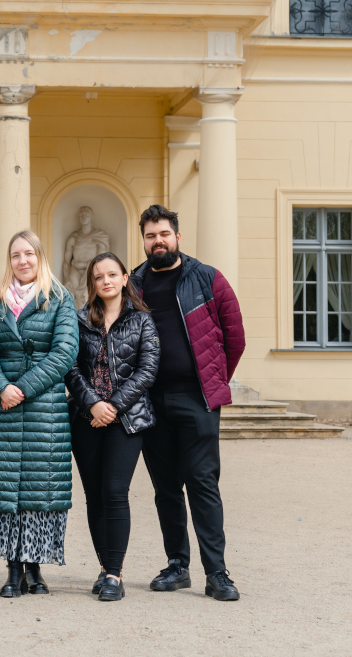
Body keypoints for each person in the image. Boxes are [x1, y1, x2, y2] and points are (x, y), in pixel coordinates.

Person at [130, 204, 245, 602]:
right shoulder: (134, 284)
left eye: (164, 234)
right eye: (150, 236)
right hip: (150, 401)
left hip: (197, 399)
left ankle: (217, 573)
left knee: (202, 483)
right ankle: (177, 566)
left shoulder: (208, 278)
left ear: (177, 236)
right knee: (165, 488)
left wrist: (213, 380)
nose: (157, 241)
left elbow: (235, 337)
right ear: (144, 241)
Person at [0, 230, 79, 598]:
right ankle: (12, 568)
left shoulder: (60, 298)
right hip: (1, 407)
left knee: (38, 488)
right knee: (4, 489)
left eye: (29, 254)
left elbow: (65, 352)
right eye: (16, 255)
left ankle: (34, 566)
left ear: (40, 257)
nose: (23, 261)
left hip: (43, 409)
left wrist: (23, 388)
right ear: (10, 260)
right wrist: (1, 387)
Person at [67, 252, 159, 601]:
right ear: (92, 283)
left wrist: (113, 406)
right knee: (94, 496)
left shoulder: (142, 321)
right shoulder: (79, 320)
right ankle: (105, 567)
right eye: (98, 276)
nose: (105, 281)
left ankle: (115, 575)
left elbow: (147, 370)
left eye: (111, 274)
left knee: (115, 492)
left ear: (124, 279)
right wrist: (93, 403)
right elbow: (71, 368)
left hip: (127, 420)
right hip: (86, 419)